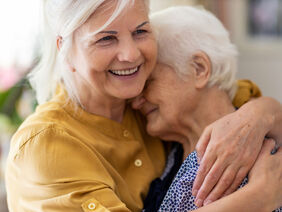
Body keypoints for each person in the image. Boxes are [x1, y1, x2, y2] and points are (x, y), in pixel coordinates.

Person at [4, 0, 281, 211]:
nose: (130, 54)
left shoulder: (148, 109)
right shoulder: (43, 148)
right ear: (65, 48)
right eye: (106, 38)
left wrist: (263, 114)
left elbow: (233, 97)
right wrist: (257, 199)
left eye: (140, 31)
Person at [132, 6, 282, 211]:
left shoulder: (256, 161)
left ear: (199, 69)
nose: (135, 102)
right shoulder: (170, 153)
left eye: (148, 82)